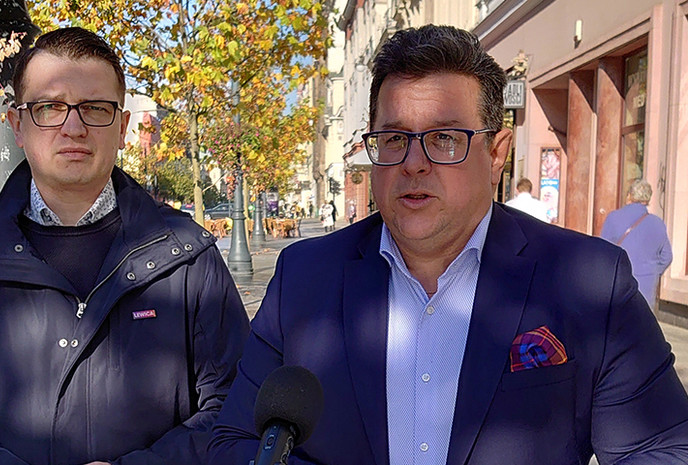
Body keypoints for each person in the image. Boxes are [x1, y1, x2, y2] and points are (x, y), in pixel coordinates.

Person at [209, 24, 688, 465]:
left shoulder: (588, 280)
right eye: (394, 138)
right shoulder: (304, 278)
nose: (413, 163)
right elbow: (235, 441)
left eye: (443, 138)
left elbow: (661, 447)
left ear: (496, 154)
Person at [0, 27, 249, 465]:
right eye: (49, 108)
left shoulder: (188, 259)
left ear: (122, 127)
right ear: (18, 125)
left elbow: (235, 405)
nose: (73, 127)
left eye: (95, 108)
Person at [601, 179, 673, 308]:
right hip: (647, 287)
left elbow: (604, 252)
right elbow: (667, 256)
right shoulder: (657, 223)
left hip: (619, 284)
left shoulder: (613, 218)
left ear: (630, 195)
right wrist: (652, 270)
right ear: (647, 199)